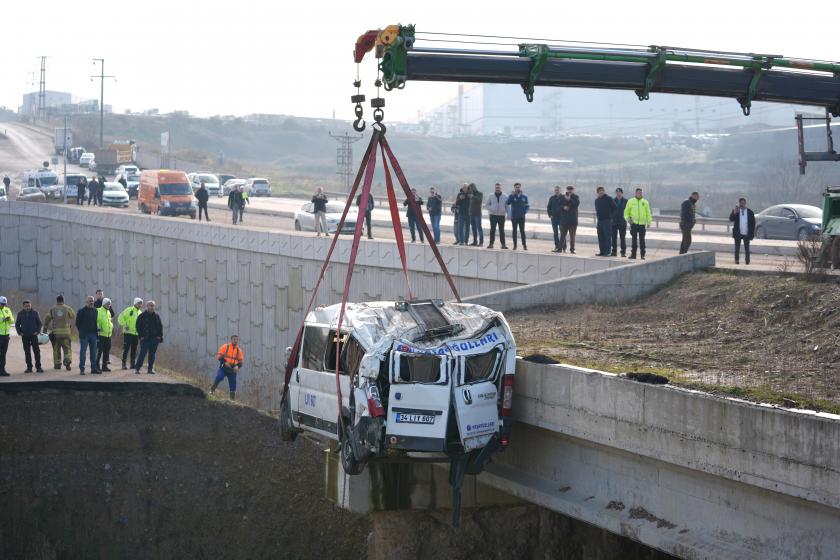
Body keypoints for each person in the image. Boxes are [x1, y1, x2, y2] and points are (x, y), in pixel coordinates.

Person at [43, 294, 75, 370]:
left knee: (56, 349)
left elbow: (47, 319)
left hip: (56, 334)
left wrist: (45, 328)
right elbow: (73, 316)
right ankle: (67, 360)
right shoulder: (68, 308)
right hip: (66, 334)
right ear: (63, 301)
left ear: (57, 301)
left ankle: (57, 364)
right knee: (67, 349)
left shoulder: (52, 309)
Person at [211, 335, 244, 400]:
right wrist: (225, 362)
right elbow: (219, 356)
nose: (235, 341)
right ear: (231, 340)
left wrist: (237, 366)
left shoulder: (239, 350)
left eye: (237, 340)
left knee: (233, 384)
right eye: (234, 339)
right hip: (224, 367)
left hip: (232, 369)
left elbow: (241, 361)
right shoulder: (225, 347)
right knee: (219, 377)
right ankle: (212, 390)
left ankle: (232, 400)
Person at [134, 300, 163, 375]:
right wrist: (141, 336)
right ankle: (137, 368)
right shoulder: (142, 316)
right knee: (142, 354)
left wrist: (159, 336)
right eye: (151, 305)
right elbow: (137, 326)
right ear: (147, 306)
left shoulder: (156, 316)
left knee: (152, 354)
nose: (152, 307)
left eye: (153, 305)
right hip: (145, 339)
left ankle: (150, 369)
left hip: (154, 339)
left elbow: (160, 327)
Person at [15, 300, 43, 373]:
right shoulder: (20, 314)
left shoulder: (35, 313)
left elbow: (39, 324)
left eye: (29, 306)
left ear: (31, 305)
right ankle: (29, 367)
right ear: (23, 306)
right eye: (26, 306)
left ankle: (38, 367)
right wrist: (19, 332)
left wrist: (37, 331)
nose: (28, 307)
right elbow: (17, 324)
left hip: (34, 336)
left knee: (37, 351)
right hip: (25, 336)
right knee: (27, 352)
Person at [624, 187, 653, 260]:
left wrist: (649, 222)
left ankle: (642, 255)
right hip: (634, 224)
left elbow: (648, 213)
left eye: (641, 193)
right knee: (634, 240)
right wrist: (628, 219)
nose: (640, 194)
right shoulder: (631, 201)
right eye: (638, 192)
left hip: (642, 225)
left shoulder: (645, 202)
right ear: (635, 193)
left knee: (642, 240)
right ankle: (633, 255)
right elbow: (626, 212)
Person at [75, 295, 100, 374]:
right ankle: (82, 369)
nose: (91, 302)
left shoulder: (95, 311)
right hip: (84, 335)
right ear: (86, 302)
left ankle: (94, 369)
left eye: (92, 301)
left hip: (93, 334)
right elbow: (77, 323)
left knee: (93, 353)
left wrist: (96, 333)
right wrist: (81, 331)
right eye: (90, 301)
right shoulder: (81, 311)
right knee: (83, 352)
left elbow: (95, 322)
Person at [118, 298, 143, 370]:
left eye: (141, 303)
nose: (140, 305)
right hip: (128, 333)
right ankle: (123, 364)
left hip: (136, 334)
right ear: (135, 303)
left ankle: (132, 364)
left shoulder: (140, 312)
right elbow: (120, 318)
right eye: (139, 303)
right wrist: (125, 325)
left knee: (134, 349)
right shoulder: (128, 310)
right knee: (126, 349)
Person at [729, 198, 755, 265]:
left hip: (747, 233)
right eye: (741, 203)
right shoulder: (736, 211)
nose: (742, 204)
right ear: (739, 203)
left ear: (745, 203)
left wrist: (751, 233)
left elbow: (753, 224)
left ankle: (747, 261)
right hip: (738, 233)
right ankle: (736, 260)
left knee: (747, 248)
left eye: (743, 203)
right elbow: (731, 219)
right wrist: (734, 213)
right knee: (737, 248)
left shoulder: (750, 212)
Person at [506, 182, 530, 250]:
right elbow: (508, 203)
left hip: (521, 217)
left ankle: (524, 245)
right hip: (514, 217)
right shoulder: (512, 195)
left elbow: (527, 206)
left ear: (520, 187)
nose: (517, 188)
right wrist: (512, 196)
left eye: (519, 187)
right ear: (514, 188)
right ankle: (515, 245)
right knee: (514, 231)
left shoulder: (524, 196)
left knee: (522, 231)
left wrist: (524, 212)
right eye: (516, 187)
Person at [594, 186, 616, 256]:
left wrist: (610, 216)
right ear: (597, 193)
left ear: (604, 191)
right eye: (599, 191)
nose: (601, 192)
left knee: (607, 237)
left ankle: (607, 252)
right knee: (600, 237)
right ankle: (602, 251)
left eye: (602, 191)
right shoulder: (596, 200)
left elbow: (615, 208)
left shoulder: (609, 199)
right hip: (600, 221)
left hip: (607, 221)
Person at [485, 183, 507, 249]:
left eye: (499, 188)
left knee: (501, 230)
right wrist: (492, 209)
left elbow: (507, 206)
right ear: (495, 188)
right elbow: (487, 204)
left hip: (501, 215)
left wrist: (509, 214)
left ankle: (503, 244)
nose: (497, 189)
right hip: (493, 215)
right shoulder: (491, 196)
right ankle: (491, 244)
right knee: (492, 230)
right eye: (496, 188)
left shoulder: (505, 196)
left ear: (501, 188)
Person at [558, 186, 579, 254]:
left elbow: (576, 204)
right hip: (564, 220)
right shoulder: (562, 197)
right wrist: (563, 207)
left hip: (573, 221)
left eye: (571, 189)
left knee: (572, 236)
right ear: (566, 190)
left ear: (573, 190)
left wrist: (569, 199)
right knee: (562, 236)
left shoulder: (576, 197)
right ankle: (560, 248)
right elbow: (559, 206)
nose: (569, 191)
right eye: (568, 189)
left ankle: (572, 249)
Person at [96, 298, 114, 372]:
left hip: (108, 335)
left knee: (107, 351)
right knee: (99, 351)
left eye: (110, 304)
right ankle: (96, 366)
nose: (109, 305)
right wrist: (98, 327)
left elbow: (109, 321)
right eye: (107, 304)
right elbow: (95, 320)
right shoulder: (98, 310)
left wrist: (111, 326)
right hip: (101, 335)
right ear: (103, 304)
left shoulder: (108, 312)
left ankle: (104, 366)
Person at [611, 188, 628, 257]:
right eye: (617, 192)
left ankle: (623, 252)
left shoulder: (626, 201)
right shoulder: (612, 200)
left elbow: (628, 210)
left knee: (622, 238)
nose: (618, 193)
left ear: (622, 193)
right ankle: (614, 252)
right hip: (614, 222)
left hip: (622, 222)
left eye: (619, 192)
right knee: (613, 238)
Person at [547, 186, 564, 252]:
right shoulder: (552, 198)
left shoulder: (563, 198)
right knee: (555, 233)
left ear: (560, 190)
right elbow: (548, 207)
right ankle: (557, 246)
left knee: (563, 233)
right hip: (554, 218)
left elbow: (564, 207)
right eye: (555, 190)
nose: (557, 191)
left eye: (558, 190)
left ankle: (563, 246)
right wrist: (550, 215)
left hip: (561, 218)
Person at [0, 296, 13, 376]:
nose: (3, 305)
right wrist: (3, 319)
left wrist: (9, 320)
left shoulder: (7, 310)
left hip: (6, 335)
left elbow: (12, 320)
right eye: (1, 304)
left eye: (4, 304)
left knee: (3, 353)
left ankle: (2, 370)